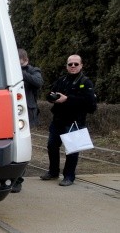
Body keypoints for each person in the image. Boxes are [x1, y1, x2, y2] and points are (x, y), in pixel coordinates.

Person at [40, 54, 97, 187]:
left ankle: (69, 176)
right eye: (70, 64)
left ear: (81, 65)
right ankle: (53, 171)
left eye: (75, 64)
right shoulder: (62, 80)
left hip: (74, 121)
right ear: (66, 66)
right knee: (51, 146)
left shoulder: (85, 82)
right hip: (58, 119)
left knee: (72, 149)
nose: (72, 66)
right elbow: (50, 93)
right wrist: (52, 97)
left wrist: (68, 99)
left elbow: (91, 105)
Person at [11, 49, 43, 193]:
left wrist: (20, 72)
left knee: (22, 145)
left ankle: (18, 180)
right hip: (11, 111)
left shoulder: (33, 70)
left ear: (25, 59)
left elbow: (38, 82)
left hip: (25, 113)